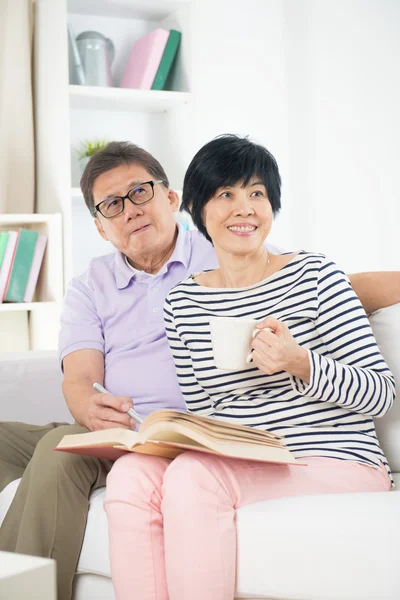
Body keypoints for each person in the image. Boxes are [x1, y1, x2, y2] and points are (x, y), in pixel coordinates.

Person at [0, 141, 398, 600]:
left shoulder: (310, 274)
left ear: (174, 203)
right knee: (131, 477)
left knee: (189, 475)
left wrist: (300, 362)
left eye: (257, 194)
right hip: (224, 450)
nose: (243, 208)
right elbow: (202, 409)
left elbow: (380, 392)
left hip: (328, 454)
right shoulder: (183, 303)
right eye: (224, 196)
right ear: (199, 208)